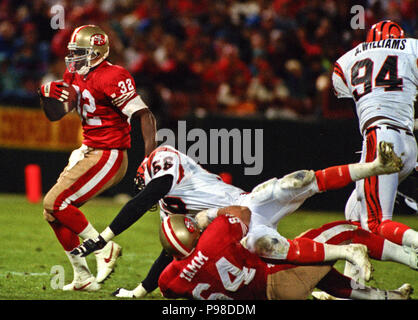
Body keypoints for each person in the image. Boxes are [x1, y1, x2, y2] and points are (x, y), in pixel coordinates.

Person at [71, 140, 405, 297]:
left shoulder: (162, 160)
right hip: (240, 234)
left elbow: (146, 195)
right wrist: (138, 292)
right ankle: (353, 263)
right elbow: (172, 251)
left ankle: (374, 166)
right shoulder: (169, 211)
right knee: (271, 248)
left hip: (244, 206)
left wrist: (104, 237)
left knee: (298, 181)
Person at [39, 25, 157, 291]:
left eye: (80, 53)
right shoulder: (74, 73)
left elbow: (145, 115)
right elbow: (56, 114)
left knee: (54, 201)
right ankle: (83, 277)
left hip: (110, 153)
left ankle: (103, 247)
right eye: (73, 52)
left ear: (97, 52)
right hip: (90, 148)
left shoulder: (113, 76)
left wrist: (149, 158)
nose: (73, 58)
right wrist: (45, 96)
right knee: (52, 212)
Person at [157, 211, 412, 300]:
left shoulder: (169, 279)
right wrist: (208, 216)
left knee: (324, 276)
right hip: (276, 279)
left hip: (267, 295)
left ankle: (389, 297)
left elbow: (171, 289)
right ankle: (413, 259)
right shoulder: (213, 238)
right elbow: (242, 214)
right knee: (347, 231)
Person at [332, 20, 418, 250]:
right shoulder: (411, 48)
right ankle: (357, 282)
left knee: (374, 223)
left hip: (380, 138)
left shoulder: (347, 59)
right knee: (354, 214)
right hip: (408, 142)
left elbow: (353, 101)